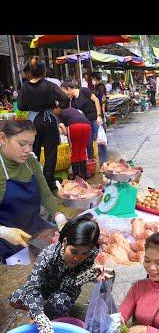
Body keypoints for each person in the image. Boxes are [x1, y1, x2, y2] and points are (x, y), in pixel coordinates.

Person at [9, 214, 107, 333]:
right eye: (74, 251)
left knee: (60, 302)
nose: (77, 258)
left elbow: (76, 279)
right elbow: (33, 287)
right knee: (16, 298)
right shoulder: (48, 255)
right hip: (44, 286)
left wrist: (92, 274)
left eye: (84, 254)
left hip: (66, 288)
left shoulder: (91, 254)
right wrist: (41, 319)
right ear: (65, 242)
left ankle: (50, 312)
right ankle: (41, 312)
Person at [0, 119, 68, 263]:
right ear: (3, 138)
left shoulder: (30, 162)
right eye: (22, 144)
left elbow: (46, 194)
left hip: (34, 233)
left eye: (31, 144)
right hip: (6, 245)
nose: (27, 150)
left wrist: (58, 214)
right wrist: (4, 232)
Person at [17, 56, 71, 191]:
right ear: (43, 71)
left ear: (30, 71)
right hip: (50, 121)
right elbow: (65, 100)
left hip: (33, 123)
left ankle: (35, 181)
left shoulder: (25, 87)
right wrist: (56, 104)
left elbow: (21, 106)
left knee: (32, 152)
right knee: (50, 153)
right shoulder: (50, 85)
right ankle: (48, 181)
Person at [61, 79, 105, 166]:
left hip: (95, 119)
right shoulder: (73, 102)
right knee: (88, 143)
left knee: (101, 141)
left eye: (65, 91)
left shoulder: (84, 91)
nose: (65, 94)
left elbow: (96, 100)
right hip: (87, 123)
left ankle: (104, 163)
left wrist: (99, 115)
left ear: (69, 88)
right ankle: (92, 164)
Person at [55, 105, 91, 180]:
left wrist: (65, 133)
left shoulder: (59, 115)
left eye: (54, 109)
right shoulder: (72, 109)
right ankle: (84, 174)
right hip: (87, 126)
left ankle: (76, 175)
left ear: (58, 108)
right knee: (82, 151)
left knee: (75, 152)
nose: (54, 111)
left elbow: (64, 131)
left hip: (74, 127)